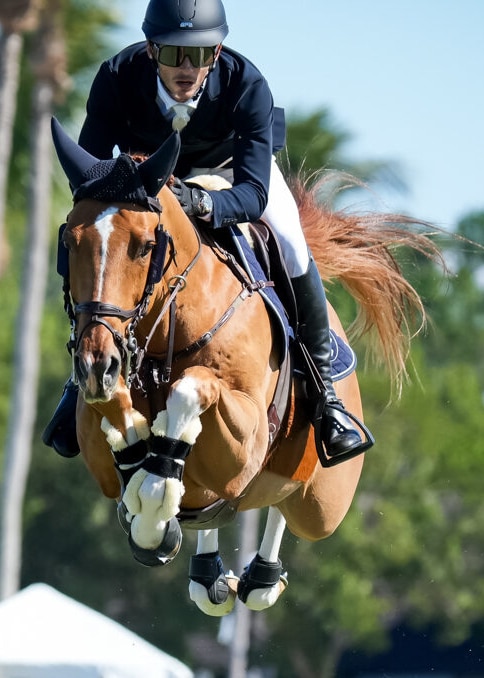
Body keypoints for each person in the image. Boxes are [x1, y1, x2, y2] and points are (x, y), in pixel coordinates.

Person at [43, 0, 371, 465]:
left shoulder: (247, 83)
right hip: (148, 184)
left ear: (216, 55)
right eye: (174, 54)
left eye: (198, 55)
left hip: (230, 177)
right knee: (86, 237)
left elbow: (255, 192)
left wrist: (201, 202)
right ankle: (78, 379)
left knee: (292, 244)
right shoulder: (117, 76)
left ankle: (324, 394)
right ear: (152, 49)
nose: (185, 67)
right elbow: (92, 177)